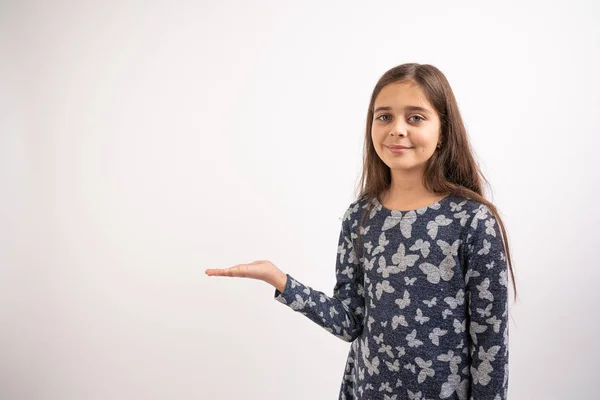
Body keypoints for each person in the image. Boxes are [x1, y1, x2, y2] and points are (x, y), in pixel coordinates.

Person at [205, 63, 517, 400]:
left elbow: (490, 347)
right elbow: (349, 321)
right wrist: (279, 280)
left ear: (443, 131)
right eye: (384, 117)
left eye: (415, 117)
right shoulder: (361, 216)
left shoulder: (472, 220)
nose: (397, 129)